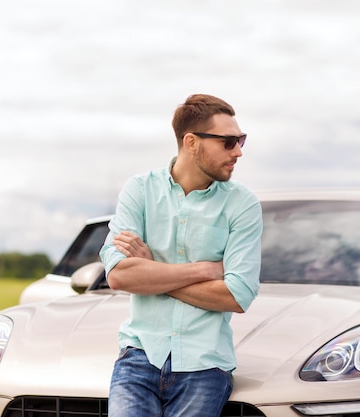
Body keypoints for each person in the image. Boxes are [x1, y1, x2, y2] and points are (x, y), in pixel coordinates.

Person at [99, 93, 263, 417]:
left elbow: (237, 295)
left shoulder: (242, 205)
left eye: (241, 140)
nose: (239, 151)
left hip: (205, 366)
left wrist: (151, 271)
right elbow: (118, 275)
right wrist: (204, 271)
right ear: (191, 142)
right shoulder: (140, 190)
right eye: (229, 142)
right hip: (138, 357)